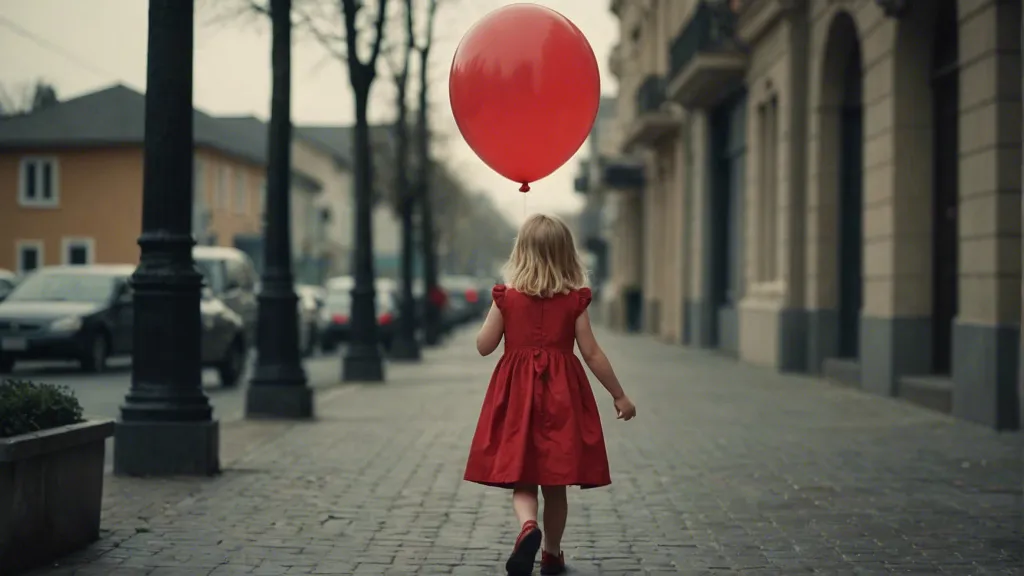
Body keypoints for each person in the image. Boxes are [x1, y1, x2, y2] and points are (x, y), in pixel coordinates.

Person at [464, 214, 637, 576]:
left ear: (521, 252)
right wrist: (619, 395)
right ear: (566, 255)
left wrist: (497, 313)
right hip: (562, 399)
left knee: (524, 478)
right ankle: (552, 554)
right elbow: (591, 353)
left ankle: (527, 527)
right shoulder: (574, 301)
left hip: (517, 399)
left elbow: (483, 346)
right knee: (555, 483)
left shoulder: (506, 299)